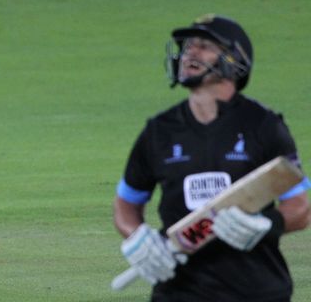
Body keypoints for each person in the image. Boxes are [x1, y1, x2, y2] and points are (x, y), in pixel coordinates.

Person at [113, 15, 311, 301]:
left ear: (235, 60)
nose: (190, 52)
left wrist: (267, 224)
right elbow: (126, 202)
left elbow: (300, 207)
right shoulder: (159, 131)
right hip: (178, 292)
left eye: (205, 46)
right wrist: (137, 236)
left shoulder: (264, 127)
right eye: (188, 45)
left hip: (257, 292)